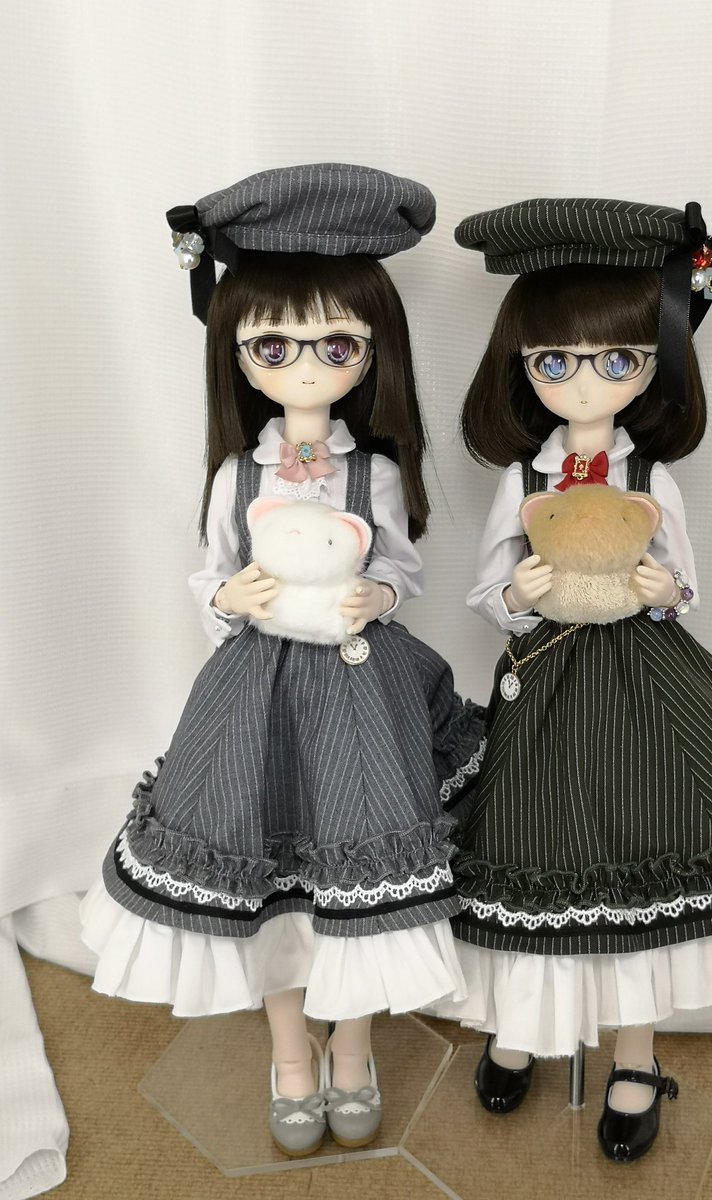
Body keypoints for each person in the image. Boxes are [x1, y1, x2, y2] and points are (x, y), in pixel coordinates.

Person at [434, 197, 712, 1163]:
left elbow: (684, 582)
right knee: (533, 847)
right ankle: (522, 1026)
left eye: (616, 360)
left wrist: (665, 590)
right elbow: (486, 588)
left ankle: (633, 1052)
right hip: (546, 681)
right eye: (556, 363)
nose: (585, 384)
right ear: (521, 366)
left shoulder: (650, 477)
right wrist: (519, 593)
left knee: (642, 843)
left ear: (654, 364)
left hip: (643, 684)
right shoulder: (524, 480)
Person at [81, 164, 483, 1157]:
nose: (305, 368)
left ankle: (355, 1047)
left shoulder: (372, 469)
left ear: (372, 351)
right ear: (238, 355)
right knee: (267, 874)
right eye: (274, 346)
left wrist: (378, 594)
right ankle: (291, 1053)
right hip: (256, 690)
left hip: (359, 684)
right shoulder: (236, 473)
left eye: (335, 345)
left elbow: (400, 564)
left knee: (362, 865)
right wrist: (230, 598)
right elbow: (212, 571)